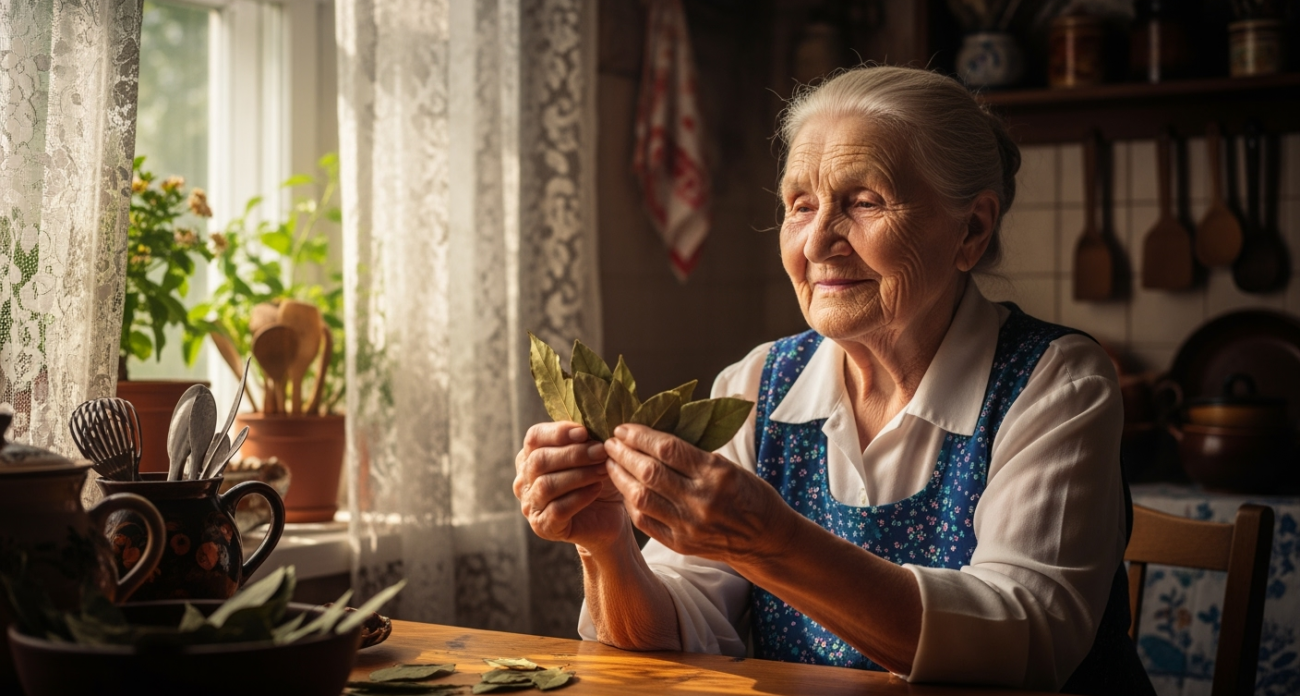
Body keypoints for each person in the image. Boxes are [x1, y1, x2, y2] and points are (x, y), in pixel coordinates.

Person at [513, 65, 1154, 695]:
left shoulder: (1056, 382)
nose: (818, 242)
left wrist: (772, 541)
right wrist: (607, 548)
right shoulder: (759, 383)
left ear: (972, 230)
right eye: (801, 205)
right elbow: (679, 634)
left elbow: (1027, 640)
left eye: (864, 202)